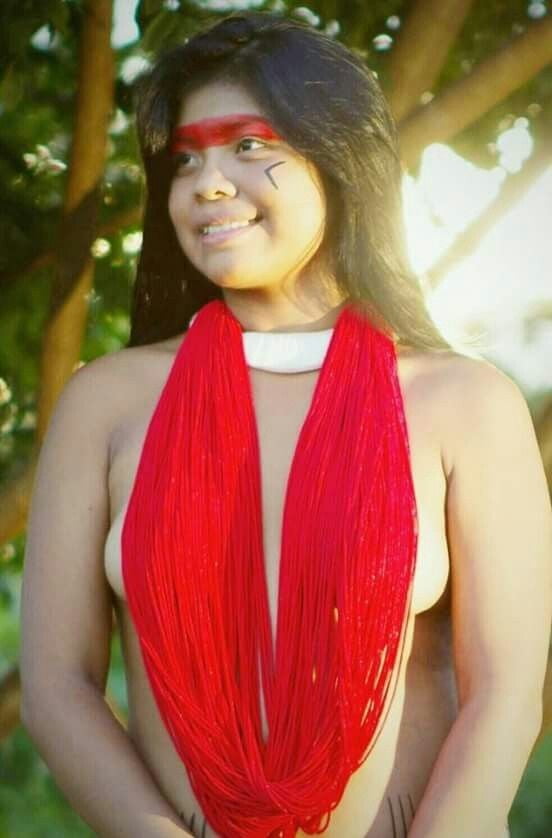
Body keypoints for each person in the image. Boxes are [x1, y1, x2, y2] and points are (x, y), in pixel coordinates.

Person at [19, 10, 551, 838]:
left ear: (339, 159)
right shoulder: (107, 404)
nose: (207, 183)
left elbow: (506, 695)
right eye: (185, 159)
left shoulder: (467, 404)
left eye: (248, 145)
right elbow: (57, 687)